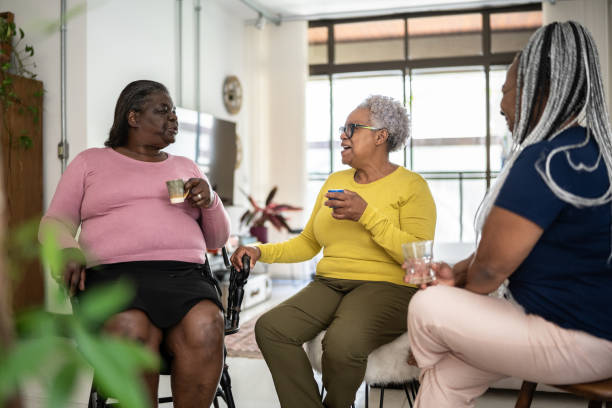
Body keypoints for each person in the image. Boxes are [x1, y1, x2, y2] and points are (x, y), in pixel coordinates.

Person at [406, 21, 612, 408]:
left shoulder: (544, 160)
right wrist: (458, 273)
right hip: (589, 331)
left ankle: (423, 355)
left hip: (575, 337)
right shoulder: (587, 151)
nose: (502, 104)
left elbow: (489, 271)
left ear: (539, 88)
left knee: (426, 306)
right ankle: (433, 360)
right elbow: (498, 254)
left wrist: (456, 300)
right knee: (445, 379)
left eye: (506, 90)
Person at [231, 95, 436, 408]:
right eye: (343, 128)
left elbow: (416, 256)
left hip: (388, 288)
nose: (343, 134)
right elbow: (309, 242)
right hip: (330, 284)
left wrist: (366, 214)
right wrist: (260, 252)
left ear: (381, 136)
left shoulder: (412, 186)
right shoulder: (336, 181)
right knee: (271, 328)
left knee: (341, 343)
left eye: (352, 128)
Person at [39, 80, 230, 408]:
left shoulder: (186, 166)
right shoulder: (90, 162)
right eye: (163, 110)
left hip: (184, 279)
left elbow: (217, 239)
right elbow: (54, 223)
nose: (173, 118)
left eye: (173, 111)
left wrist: (210, 200)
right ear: (133, 117)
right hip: (113, 279)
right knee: (131, 326)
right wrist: (68, 248)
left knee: (207, 325)